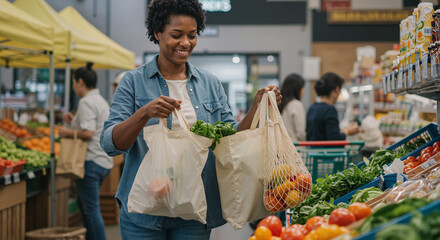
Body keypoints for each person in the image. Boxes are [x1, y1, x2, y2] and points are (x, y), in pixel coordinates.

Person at [99, 0, 281, 239]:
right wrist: (144, 113)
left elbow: (230, 137)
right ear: (157, 33)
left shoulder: (210, 84)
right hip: (144, 210)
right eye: (176, 35)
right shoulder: (133, 82)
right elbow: (110, 144)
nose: (185, 43)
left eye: (192, 35)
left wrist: (256, 107)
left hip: (194, 208)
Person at [58, 62, 112, 240]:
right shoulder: (100, 100)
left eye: (74, 83)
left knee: (91, 209)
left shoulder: (86, 102)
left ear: (80, 82)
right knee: (84, 204)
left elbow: (88, 133)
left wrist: (66, 131)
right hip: (103, 160)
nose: (73, 87)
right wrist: (75, 120)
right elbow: (94, 127)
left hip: (91, 161)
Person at [306, 72, 359, 141]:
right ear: (336, 89)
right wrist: (347, 131)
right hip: (326, 151)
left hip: (311, 151)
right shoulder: (329, 110)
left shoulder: (311, 108)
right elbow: (334, 140)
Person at [279, 73, 306, 142]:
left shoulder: (279, 104)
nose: (303, 91)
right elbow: (301, 133)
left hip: (281, 148)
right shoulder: (297, 105)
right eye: (302, 88)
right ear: (296, 89)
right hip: (295, 148)